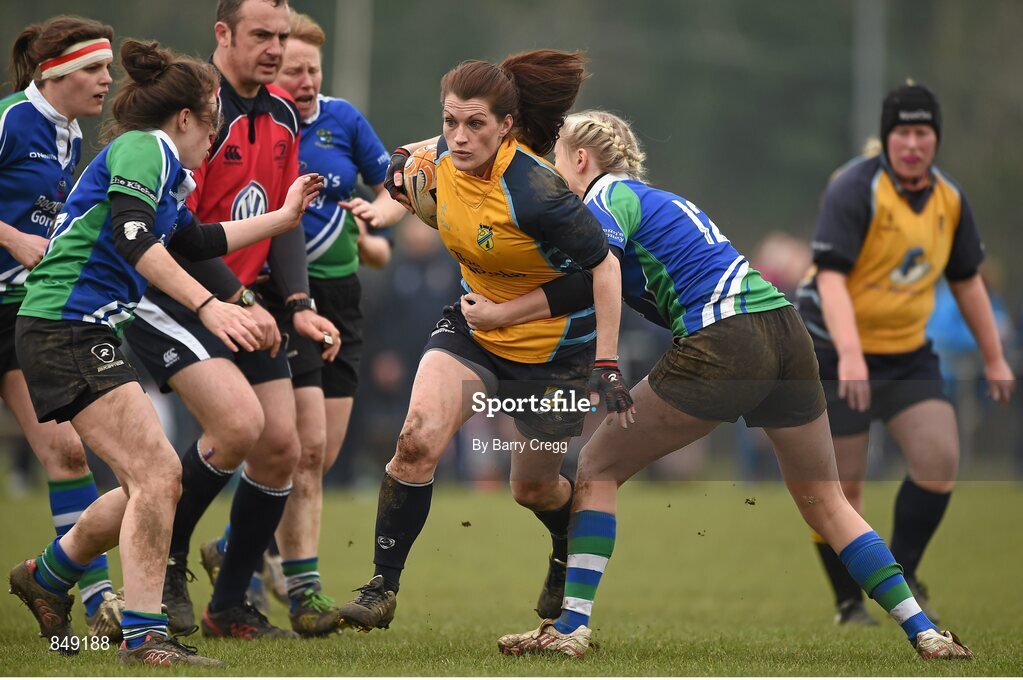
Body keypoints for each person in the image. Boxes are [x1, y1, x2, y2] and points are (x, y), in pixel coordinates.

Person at [492, 110, 973, 660]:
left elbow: (595, 275)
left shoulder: (605, 200)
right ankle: (926, 633)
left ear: (582, 160)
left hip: (725, 338)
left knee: (597, 467)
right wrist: (503, 314)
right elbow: (589, 285)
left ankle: (570, 629)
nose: (555, 175)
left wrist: (595, 357)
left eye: (557, 161)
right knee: (825, 497)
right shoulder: (664, 202)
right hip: (785, 331)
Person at [7, 38, 322, 666]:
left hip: (79, 328)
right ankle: (145, 636)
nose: (218, 138)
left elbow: (200, 237)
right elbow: (131, 236)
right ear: (187, 119)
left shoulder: (168, 170)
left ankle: (46, 576)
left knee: (148, 480)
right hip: (65, 326)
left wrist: (281, 220)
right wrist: (210, 306)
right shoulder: (142, 147)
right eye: (215, 124)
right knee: (158, 476)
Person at [336, 50, 633, 632]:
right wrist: (380, 213)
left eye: (476, 124)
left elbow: (601, 270)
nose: (459, 136)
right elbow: (405, 180)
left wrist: (605, 361)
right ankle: (381, 587)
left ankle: (563, 547)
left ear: (507, 127)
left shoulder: (540, 193)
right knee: (417, 438)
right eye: (450, 121)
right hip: (473, 329)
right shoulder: (438, 157)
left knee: (533, 487)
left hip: (555, 352)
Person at [122, 0, 340, 640]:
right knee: (238, 428)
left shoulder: (280, 113)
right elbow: (182, 237)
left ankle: (230, 604)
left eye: (282, 36)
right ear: (223, 34)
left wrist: (296, 304)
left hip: (241, 306)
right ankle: (165, 561)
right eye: (261, 35)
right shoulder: (195, 115)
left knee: (281, 449)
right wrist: (235, 302)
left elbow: (283, 220)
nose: (276, 48)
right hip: (177, 300)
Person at [204, 10, 402, 637]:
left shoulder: (342, 119)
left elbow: (391, 194)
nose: (306, 78)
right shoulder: (246, 118)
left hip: (336, 297)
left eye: (313, 67)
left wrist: (375, 222)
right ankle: (301, 586)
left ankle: (236, 542)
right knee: (300, 449)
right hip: (275, 292)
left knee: (318, 451)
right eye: (295, 69)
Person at [795, 83, 1015, 625]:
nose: (912, 144)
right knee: (841, 487)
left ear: (935, 139)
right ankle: (849, 602)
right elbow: (833, 278)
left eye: (922, 133)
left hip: (907, 353)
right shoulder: (854, 188)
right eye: (902, 132)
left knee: (940, 459)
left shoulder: (950, 199)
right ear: (887, 138)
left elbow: (966, 282)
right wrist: (849, 355)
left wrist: (994, 357)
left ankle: (904, 571)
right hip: (832, 345)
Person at [0, 15, 124, 641]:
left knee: (67, 449)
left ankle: (96, 595)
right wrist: (11, 236)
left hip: (22, 315)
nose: (107, 79)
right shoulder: (9, 120)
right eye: (95, 70)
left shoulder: (75, 138)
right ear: (55, 74)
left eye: (107, 69)